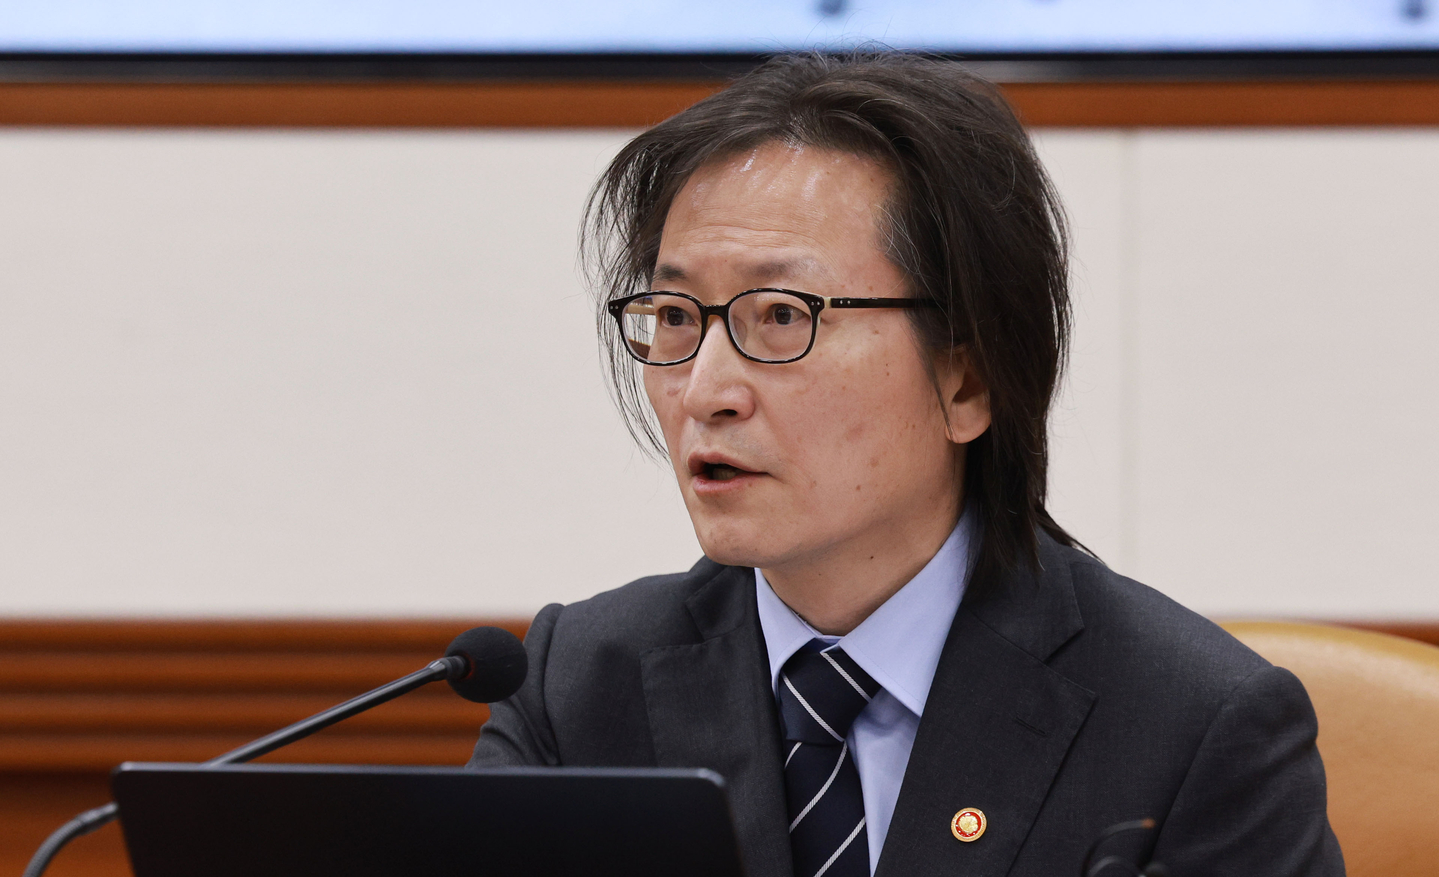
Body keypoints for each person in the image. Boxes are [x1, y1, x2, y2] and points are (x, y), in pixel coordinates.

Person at [468, 52, 1344, 877]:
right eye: (674, 315)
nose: (704, 389)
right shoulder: (575, 688)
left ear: (967, 377)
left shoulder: (1190, 729)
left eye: (780, 314)